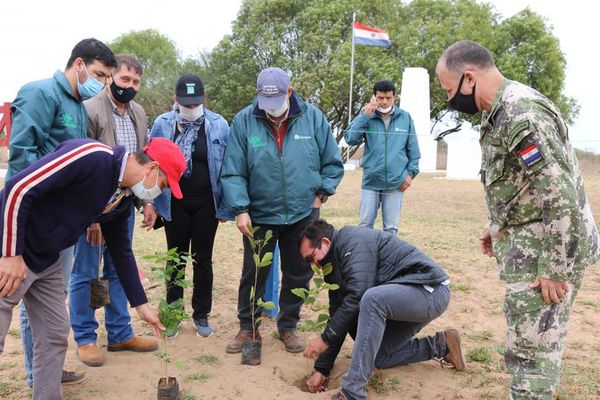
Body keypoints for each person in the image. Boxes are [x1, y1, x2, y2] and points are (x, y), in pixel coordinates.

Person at [436, 40, 600, 400]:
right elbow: (523, 184)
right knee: (532, 350)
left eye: (450, 91)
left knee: (532, 360)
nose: (450, 100)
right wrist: (496, 226)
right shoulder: (501, 112)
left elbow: (560, 194)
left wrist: (555, 266)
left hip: (546, 256)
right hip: (531, 245)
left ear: (469, 78)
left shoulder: (520, 115)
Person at [0, 137, 185, 400]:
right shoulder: (92, 156)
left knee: (54, 334)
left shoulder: (121, 198)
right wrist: (10, 253)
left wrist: (142, 306)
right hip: (13, 248)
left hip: (47, 258)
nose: (160, 192)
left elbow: (122, 252)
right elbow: (18, 188)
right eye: (164, 185)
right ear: (152, 168)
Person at [7, 37, 117, 387]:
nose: (101, 84)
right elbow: (22, 157)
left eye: (106, 79)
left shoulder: (76, 107)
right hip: (33, 219)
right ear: (79, 63)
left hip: (59, 223)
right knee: (27, 298)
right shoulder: (40, 94)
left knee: (51, 301)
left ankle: (47, 373)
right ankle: (33, 373)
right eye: (99, 74)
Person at [221, 67, 344, 354]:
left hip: (302, 213)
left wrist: (321, 194)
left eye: (276, 103)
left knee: (298, 272)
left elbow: (332, 162)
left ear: (289, 92)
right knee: (254, 273)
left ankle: (288, 326)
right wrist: (240, 208)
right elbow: (233, 171)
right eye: (266, 103)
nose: (271, 110)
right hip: (259, 215)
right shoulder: (244, 121)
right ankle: (248, 326)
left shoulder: (313, 118)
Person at [299, 219, 465, 400]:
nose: (313, 265)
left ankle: (352, 392)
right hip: (406, 298)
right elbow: (338, 315)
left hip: (430, 291)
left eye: (311, 258)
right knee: (377, 355)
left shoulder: (352, 240)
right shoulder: (332, 266)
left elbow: (358, 296)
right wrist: (321, 369)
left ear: (325, 243)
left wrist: (324, 338)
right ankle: (442, 346)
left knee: (370, 299)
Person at [69, 54, 158, 368]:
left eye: (135, 82)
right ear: (111, 78)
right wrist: (90, 216)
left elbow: (143, 162)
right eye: (124, 80)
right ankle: (86, 337)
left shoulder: (139, 113)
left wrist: (147, 201)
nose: (129, 86)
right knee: (85, 273)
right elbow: (82, 166)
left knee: (119, 267)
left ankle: (120, 333)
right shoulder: (90, 109)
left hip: (123, 206)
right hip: (93, 206)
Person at [150, 73, 233, 337]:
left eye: (196, 103)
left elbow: (227, 167)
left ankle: (201, 314)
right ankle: (173, 314)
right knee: (175, 259)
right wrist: (150, 203)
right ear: (175, 100)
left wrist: (226, 206)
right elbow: (150, 163)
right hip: (174, 202)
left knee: (202, 259)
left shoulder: (219, 125)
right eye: (186, 104)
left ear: (204, 99)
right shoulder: (162, 124)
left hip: (206, 203)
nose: (191, 108)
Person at [344, 80, 420, 235]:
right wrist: (365, 115)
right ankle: (365, 258)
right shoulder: (367, 117)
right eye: (380, 98)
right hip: (371, 181)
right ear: (374, 97)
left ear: (394, 97)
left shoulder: (405, 118)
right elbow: (350, 138)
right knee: (365, 226)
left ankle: (389, 260)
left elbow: (414, 151)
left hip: (395, 183)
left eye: (388, 98)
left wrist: (410, 175)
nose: (384, 102)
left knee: (391, 229)